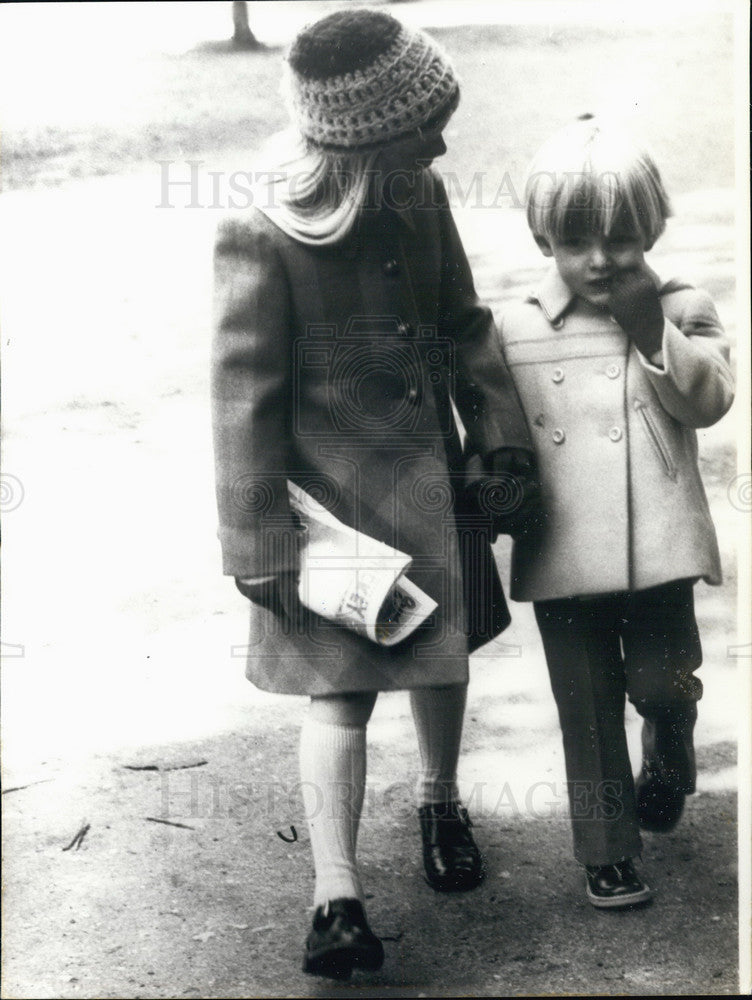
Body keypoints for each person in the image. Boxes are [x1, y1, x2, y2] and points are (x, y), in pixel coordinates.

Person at [211, 8, 540, 980]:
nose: (439, 143)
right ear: (362, 136)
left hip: (432, 479)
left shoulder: (417, 193)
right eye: (423, 126)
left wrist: (499, 439)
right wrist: (257, 538)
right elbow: (241, 399)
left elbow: (464, 322)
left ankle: (441, 800)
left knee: (443, 661)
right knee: (339, 694)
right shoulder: (260, 228)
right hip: (331, 512)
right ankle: (336, 895)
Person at [493, 115, 734, 909]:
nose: (599, 260)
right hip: (562, 547)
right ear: (543, 238)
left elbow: (710, 401)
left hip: (657, 543)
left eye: (621, 239)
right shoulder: (515, 325)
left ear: (652, 229)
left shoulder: (682, 306)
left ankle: (669, 739)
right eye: (575, 242)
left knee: (664, 683)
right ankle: (607, 853)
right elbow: (496, 425)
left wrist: (650, 329)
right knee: (587, 707)